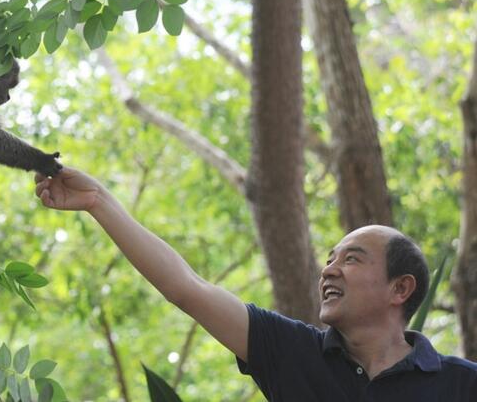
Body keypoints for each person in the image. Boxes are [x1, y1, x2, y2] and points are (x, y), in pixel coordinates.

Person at [34, 167, 477, 401]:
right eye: (329, 260)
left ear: (400, 289)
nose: (329, 270)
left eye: (352, 259)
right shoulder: (290, 351)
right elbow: (186, 287)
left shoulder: (461, 385)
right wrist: (99, 201)